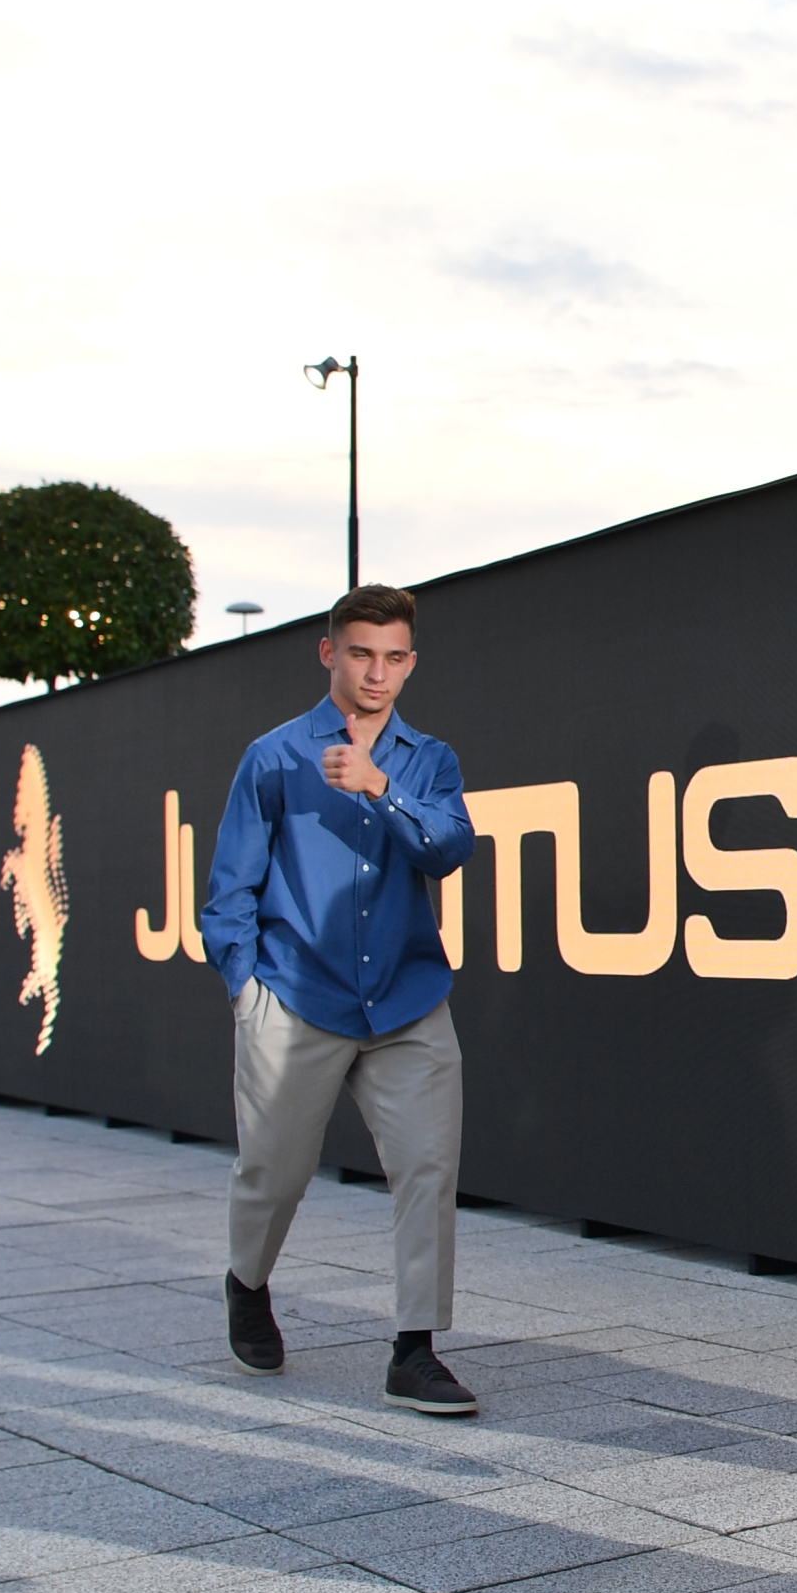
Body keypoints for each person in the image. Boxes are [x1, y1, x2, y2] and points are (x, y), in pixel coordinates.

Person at [200, 583, 479, 1416]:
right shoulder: (274, 757)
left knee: (428, 1170)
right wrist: (246, 990)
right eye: (361, 653)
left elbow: (450, 849)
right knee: (273, 1173)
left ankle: (415, 1350)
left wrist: (378, 787)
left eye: (394, 657)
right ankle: (248, 1284)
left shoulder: (428, 760)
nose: (376, 673)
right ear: (330, 653)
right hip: (296, 998)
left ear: (411, 663)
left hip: (407, 1001)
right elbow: (229, 891)